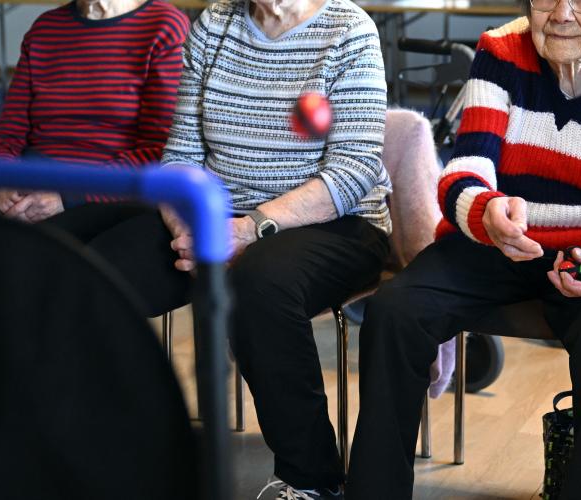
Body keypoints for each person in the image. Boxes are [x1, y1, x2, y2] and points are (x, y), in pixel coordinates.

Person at [347, 0, 581, 498]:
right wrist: (486, 209)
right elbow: (465, 170)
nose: (561, 13)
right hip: (499, 238)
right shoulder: (500, 50)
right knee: (395, 311)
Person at [113, 0, 390, 497]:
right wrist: (189, 232)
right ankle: (91, 442)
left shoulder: (349, 30)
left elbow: (354, 171)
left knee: (259, 281)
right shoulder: (216, 23)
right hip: (212, 221)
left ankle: (312, 481)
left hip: (337, 223)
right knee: (104, 271)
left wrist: (249, 228)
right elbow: (179, 159)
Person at [0, 0, 189, 259]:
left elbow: (161, 149)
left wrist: (69, 195)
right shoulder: (45, 29)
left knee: (38, 263)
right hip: (29, 180)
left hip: (108, 192)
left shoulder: (165, 26)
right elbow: (8, 132)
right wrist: (0, 181)